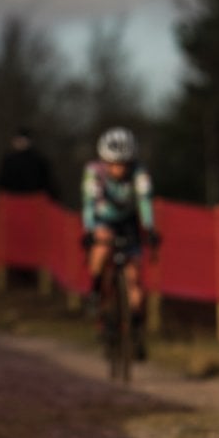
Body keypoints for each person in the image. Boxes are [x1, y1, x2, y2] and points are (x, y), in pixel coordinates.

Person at [81, 127, 160, 360]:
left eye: (124, 163)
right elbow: (89, 203)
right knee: (102, 247)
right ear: (104, 161)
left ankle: (135, 330)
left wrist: (150, 228)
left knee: (135, 279)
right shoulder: (93, 172)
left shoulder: (139, 173)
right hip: (103, 219)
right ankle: (95, 292)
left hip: (129, 222)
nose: (119, 169)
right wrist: (89, 230)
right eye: (114, 164)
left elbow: (145, 201)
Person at [0, 128, 57, 200]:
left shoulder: (38, 160)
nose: (19, 143)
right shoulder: (8, 160)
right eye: (17, 140)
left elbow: (47, 182)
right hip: (13, 199)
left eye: (22, 140)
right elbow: (1, 181)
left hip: (34, 199)